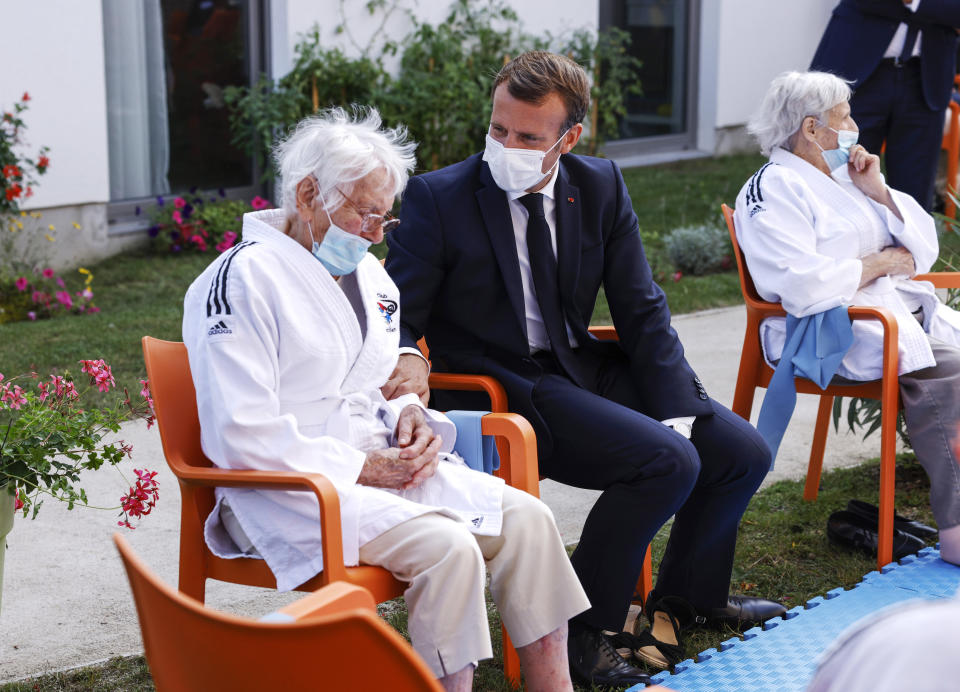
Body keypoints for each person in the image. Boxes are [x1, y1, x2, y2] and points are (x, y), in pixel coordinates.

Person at [383, 50, 786, 688]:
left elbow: (641, 309)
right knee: (666, 463)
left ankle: (688, 598)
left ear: (568, 138)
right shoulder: (439, 196)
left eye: (526, 137)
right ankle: (581, 631)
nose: (505, 145)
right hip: (500, 388)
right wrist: (407, 350)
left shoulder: (597, 184)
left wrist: (679, 408)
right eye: (497, 129)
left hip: (579, 365)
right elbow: (393, 310)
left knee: (740, 452)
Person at [181, 107, 591, 692]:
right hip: (291, 486)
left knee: (529, 519)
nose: (377, 233)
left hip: (379, 469)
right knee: (450, 549)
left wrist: (413, 421)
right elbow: (237, 433)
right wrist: (361, 467)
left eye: (384, 216)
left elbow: (377, 381)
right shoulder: (240, 281)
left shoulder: (371, 278)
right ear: (307, 194)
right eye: (364, 213)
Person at [735, 70, 960, 566]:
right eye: (846, 118)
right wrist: (879, 262)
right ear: (811, 129)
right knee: (952, 377)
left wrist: (878, 190)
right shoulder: (772, 189)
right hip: (833, 329)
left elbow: (920, 248)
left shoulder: (845, 177)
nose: (856, 126)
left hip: (886, 311)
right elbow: (800, 284)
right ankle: (957, 531)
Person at [810, 0, 960, 211]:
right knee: (841, 173)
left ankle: (908, 243)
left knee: (914, 190)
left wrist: (916, 3)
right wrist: (937, 9)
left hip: (926, 78)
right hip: (857, 73)